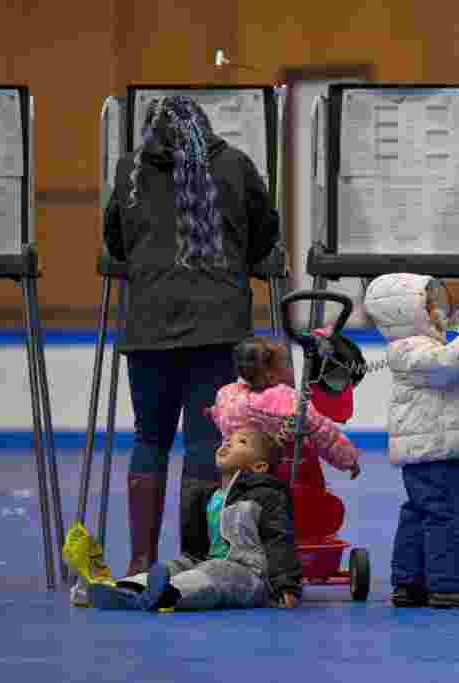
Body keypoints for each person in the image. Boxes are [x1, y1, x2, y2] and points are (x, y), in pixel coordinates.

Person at [102, 95, 280, 578]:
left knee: (150, 437)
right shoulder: (236, 166)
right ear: (205, 127)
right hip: (217, 327)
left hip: (148, 327)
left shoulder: (127, 171)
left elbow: (115, 242)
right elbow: (266, 234)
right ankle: (197, 558)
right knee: (205, 441)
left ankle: (140, 559)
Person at [362, 274, 459, 609]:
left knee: (420, 512)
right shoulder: (411, 349)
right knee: (449, 513)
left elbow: (458, 372)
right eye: (430, 305)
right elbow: (449, 364)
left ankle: (410, 581)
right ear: (407, 313)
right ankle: (448, 583)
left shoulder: (419, 347)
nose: (438, 312)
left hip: (429, 446)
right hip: (434, 448)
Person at [82, 428, 301, 611]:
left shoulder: (267, 495)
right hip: (207, 562)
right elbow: (198, 548)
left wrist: (286, 587)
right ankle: (125, 589)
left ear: (259, 467)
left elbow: (279, 541)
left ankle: (168, 593)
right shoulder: (210, 496)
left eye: (240, 442)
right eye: (228, 439)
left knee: (216, 572)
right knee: (177, 565)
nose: (228, 444)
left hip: (250, 574)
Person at [208, 335, 361, 479]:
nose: (290, 370)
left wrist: (213, 413)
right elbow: (324, 433)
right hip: (281, 472)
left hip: (237, 467)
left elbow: (223, 415)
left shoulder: (227, 394)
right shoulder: (287, 401)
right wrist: (348, 460)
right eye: (287, 365)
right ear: (272, 375)